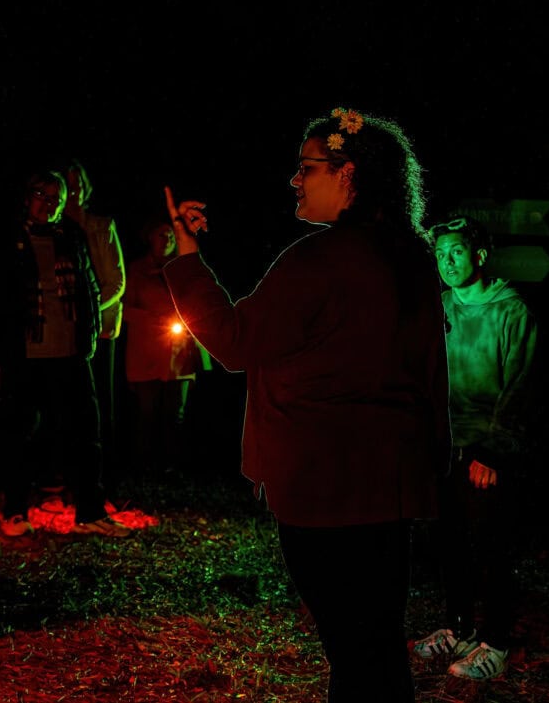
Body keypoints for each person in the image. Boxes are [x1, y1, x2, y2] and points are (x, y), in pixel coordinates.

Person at [162, 107, 450, 702]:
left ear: (349, 174)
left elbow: (235, 343)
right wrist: (431, 462)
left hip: (324, 489)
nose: (295, 180)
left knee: (352, 646)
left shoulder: (317, 260)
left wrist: (187, 261)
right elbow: (431, 374)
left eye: (307, 167)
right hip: (391, 485)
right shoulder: (413, 258)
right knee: (375, 640)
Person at [411, 216, 539, 680]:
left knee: (491, 548)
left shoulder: (511, 311)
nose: (447, 262)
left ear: (479, 255)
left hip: (487, 452)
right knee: (449, 545)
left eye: (457, 252)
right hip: (446, 448)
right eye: (441, 254)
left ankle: (496, 643)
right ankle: (459, 629)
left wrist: (494, 451)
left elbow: (521, 386)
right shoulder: (440, 307)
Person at [0, 168, 129, 539]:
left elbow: (90, 285)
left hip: (69, 352)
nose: (49, 204)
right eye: (42, 196)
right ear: (27, 196)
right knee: (21, 435)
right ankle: (14, 510)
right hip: (24, 355)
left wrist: (89, 336)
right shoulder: (7, 239)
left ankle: (91, 510)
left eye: (56, 199)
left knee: (85, 433)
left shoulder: (70, 235)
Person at [60, 158, 128, 497]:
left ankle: (107, 479)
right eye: (67, 185)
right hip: (64, 333)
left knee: (101, 403)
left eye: (78, 185)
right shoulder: (54, 229)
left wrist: (87, 312)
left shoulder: (102, 226)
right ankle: (69, 478)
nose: (73, 192)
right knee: (68, 406)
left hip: (99, 330)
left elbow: (116, 282)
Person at [123, 217, 210, 480]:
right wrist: (153, 319)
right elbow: (124, 308)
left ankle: (172, 467)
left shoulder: (185, 270)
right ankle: (145, 467)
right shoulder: (137, 270)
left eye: (171, 235)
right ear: (149, 238)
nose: (167, 240)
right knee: (147, 413)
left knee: (176, 414)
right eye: (162, 235)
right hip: (146, 352)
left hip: (178, 353)